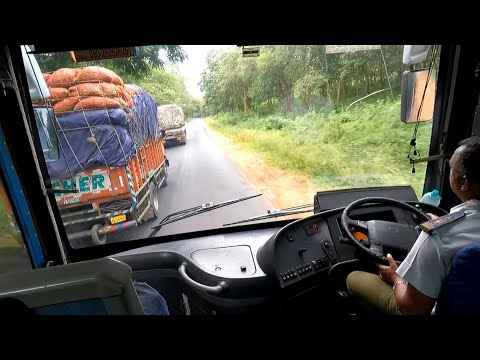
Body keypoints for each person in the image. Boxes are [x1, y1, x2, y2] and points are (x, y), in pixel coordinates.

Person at [346, 136, 480, 315]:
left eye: (451, 168)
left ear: (463, 182)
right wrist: (448, 220)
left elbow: (413, 309)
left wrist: (396, 278)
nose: (450, 172)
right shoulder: (447, 229)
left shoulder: (438, 237)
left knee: (353, 278)